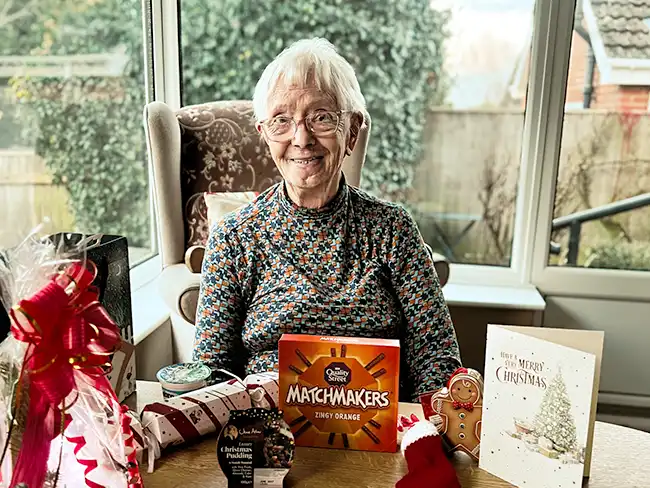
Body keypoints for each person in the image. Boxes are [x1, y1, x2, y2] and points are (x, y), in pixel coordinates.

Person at [192, 37, 461, 401]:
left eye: (321, 117)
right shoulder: (234, 237)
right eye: (281, 121)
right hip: (269, 426)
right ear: (265, 136)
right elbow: (210, 371)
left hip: (380, 428)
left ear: (352, 131)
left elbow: (436, 357)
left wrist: (427, 424)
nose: (301, 138)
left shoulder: (393, 229)